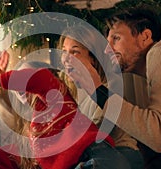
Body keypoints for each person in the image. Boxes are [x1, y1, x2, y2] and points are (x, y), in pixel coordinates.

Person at [63, 6, 161, 169]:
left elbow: (158, 136)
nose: (107, 48)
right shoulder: (159, 72)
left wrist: (97, 90)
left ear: (145, 36)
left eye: (116, 38)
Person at [0, 51, 131, 169]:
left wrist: (0, 80)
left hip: (91, 150)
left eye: (24, 76)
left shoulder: (55, 96)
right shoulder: (30, 122)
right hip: (70, 164)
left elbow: (40, 79)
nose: (21, 82)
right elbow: (10, 118)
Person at [58, 25, 144, 169]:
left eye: (75, 52)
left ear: (92, 58)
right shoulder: (67, 91)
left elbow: (97, 134)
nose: (66, 58)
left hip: (120, 154)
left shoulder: (108, 89)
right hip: (90, 157)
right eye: (64, 51)